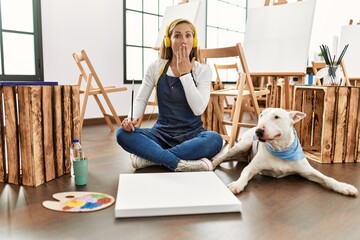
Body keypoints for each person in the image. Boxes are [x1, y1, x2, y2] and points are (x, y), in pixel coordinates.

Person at [116, 18, 223, 172]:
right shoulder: (156, 67)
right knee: (122, 134)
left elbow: (198, 109)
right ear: (168, 41)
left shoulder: (203, 70)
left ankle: (153, 158)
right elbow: (140, 99)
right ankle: (180, 162)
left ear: (194, 40)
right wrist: (130, 118)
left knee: (214, 139)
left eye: (188, 35)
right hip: (160, 134)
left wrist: (185, 73)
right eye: (177, 36)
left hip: (192, 135)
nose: (183, 41)